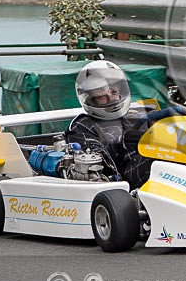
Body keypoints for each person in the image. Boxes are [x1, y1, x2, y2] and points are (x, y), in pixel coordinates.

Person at [65, 60, 152, 190]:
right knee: (157, 164)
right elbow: (96, 162)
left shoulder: (140, 114)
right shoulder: (82, 126)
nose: (111, 100)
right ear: (89, 98)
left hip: (162, 160)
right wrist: (121, 143)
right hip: (124, 177)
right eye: (101, 97)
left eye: (114, 93)